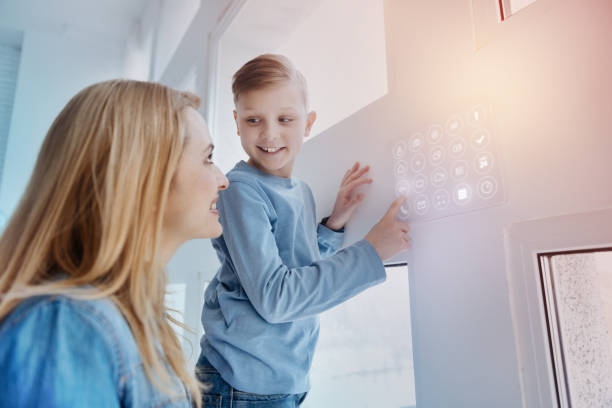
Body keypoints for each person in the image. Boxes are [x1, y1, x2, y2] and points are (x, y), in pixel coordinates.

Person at [197, 54, 411, 407]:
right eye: (254, 120)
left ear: (308, 123)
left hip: (283, 378)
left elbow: (297, 267)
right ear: (237, 122)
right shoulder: (240, 189)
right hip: (239, 382)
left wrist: (333, 226)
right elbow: (276, 297)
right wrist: (371, 253)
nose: (269, 134)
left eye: (285, 119)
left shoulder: (301, 191)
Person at [0, 80, 229, 407]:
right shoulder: (67, 328)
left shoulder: (131, 318)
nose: (223, 179)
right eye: (208, 158)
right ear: (147, 178)